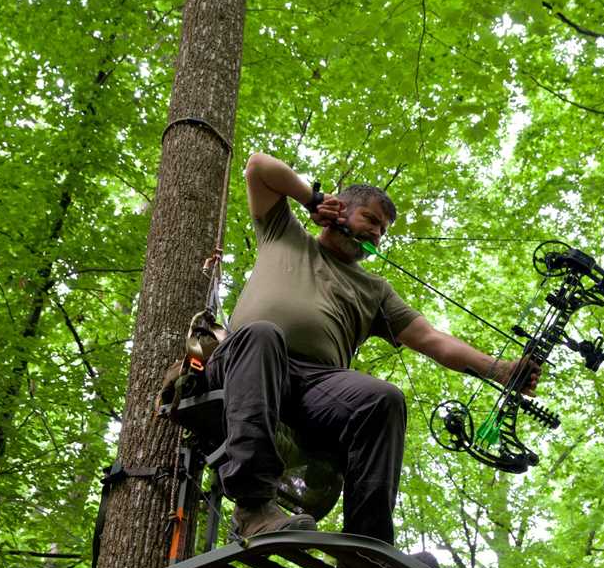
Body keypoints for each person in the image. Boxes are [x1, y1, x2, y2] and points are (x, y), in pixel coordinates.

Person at [206, 152, 538, 545]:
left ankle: (366, 549)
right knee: (263, 334)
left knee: (383, 400)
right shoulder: (284, 232)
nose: (377, 236)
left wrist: (498, 369)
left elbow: (432, 339)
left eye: (383, 231)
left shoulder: (374, 290)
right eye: (372, 221)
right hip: (245, 365)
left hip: (317, 386)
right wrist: (311, 199)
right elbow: (258, 167)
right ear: (340, 210)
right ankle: (254, 508)